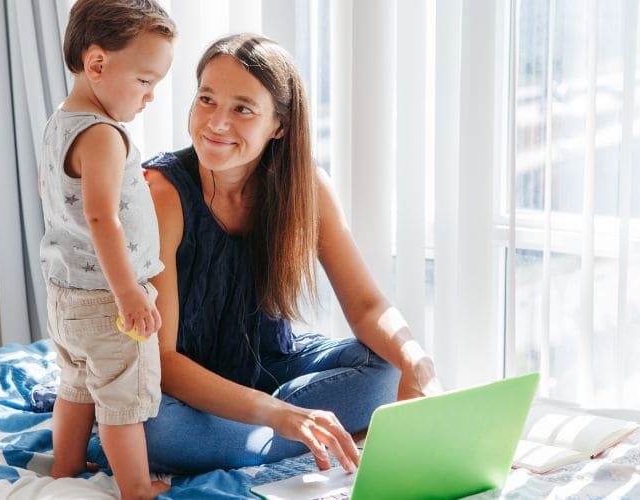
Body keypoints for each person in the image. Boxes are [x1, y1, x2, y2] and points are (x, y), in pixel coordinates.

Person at [141, 33, 443, 475]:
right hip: (186, 391)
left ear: (279, 125)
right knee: (159, 432)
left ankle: (267, 435)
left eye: (242, 108)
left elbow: (367, 305)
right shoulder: (161, 193)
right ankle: (293, 430)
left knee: (387, 370)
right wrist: (279, 414)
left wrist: (418, 362)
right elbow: (162, 362)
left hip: (269, 365)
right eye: (206, 99)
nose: (216, 122)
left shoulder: (306, 186)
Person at [36, 0, 175, 497]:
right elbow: (101, 216)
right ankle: (136, 488)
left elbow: (48, 190)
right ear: (97, 64)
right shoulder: (102, 135)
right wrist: (130, 294)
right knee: (123, 398)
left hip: (65, 293)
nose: (150, 97)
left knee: (75, 387)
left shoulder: (61, 121)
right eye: (144, 81)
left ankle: (65, 467)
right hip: (106, 297)